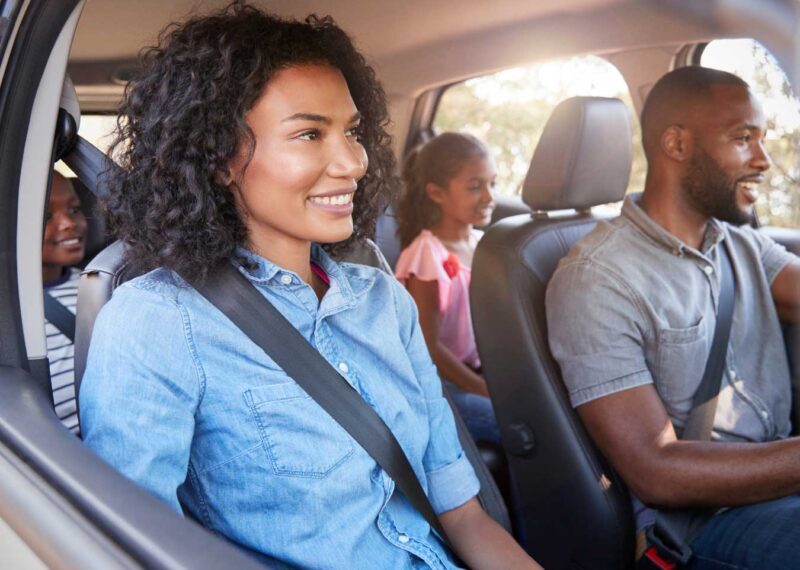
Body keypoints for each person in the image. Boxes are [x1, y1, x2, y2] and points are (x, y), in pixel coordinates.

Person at [79, 5, 539, 569]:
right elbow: (130, 549)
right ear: (221, 157)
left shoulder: (382, 299)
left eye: (351, 132)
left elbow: (463, 515)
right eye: (308, 133)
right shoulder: (158, 321)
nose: (352, 162)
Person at [546, 65, 800, 568]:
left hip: (777, 485)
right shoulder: (596, 278)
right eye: (743, 138)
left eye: (762, 138)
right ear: (677, 145)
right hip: (704, 524)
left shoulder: (740, 243)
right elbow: (656, 468)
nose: (764, 160)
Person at [395, 133, 501, 444]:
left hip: (480, 372)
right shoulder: (426, 255)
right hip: (443, 387)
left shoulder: (484, 244)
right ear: (437, 193)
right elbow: (427, 348)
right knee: (518, 421)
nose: (489, 195)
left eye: (492, 183)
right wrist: (483, 389)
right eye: (474, 186)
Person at [43, 171, 87, 434]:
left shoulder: (99, 285)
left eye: (74, 209)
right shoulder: (10, 314)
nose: (69, 223)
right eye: (47, 215)